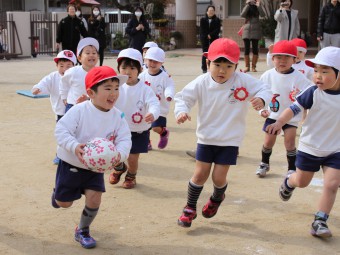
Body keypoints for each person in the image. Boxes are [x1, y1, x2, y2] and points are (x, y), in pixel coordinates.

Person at [174, 38, 271, 228]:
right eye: (217, 64)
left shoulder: (241, 80)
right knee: (200, 174)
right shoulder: (201, 82)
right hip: (206, 137)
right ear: (207, 62)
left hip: (230, 140)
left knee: (218, 178)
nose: (222, 70)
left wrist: (261, 99)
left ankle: (217, 197)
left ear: (236, 65)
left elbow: (264, 88)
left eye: (228, 66)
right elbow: (183, 97)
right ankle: (189, 208)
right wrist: (181, 111)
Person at [53, 65, 131, 249]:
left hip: (96, 168)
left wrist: (119, 154)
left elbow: (125, 138)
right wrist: (74, 146)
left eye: (116, 88)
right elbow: (61, 130)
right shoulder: (79, 110)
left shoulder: (118, 116)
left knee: (95, 198)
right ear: (91, 92)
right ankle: (57, 194)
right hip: (72, 163)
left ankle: (83, 230)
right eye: (107, 88)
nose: (113, 93)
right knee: (63, 203)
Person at [266, 46, 340, 238]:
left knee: (332, 184)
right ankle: (289, 181)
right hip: (310, 147)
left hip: (336, 149)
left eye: (325, 71)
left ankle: (320, 220)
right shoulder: (313, 92)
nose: (318, 76)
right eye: (316, 71)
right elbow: (294, 108)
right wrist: (280, 121)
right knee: (302, 181)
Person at [256, 40, 313, 178]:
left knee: (290, 142)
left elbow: (308, 93)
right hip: (272, 115)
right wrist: (261, 109)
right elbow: (260, 94)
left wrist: (299, 97)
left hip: (291, 117)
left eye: (287, 57)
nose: (282, 60)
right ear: (273, 58)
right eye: (279, 57)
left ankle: (292, 168)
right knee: (268, 141)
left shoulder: (299, 77)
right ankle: (264, 163)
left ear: (294, 59)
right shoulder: (267, 75)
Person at [109, 48, 160, 189]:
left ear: (139, 69)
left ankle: (131, 175)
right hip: (117, 128)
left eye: (132, 68)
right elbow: (103, 98)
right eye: (124, 67)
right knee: (112, 153)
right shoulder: (115, 86)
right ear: (118, 69)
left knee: (132, 158)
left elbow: (154, 103)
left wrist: (153, 113)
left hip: (138, 130)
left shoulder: (145, 89)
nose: (128, 72)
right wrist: (89, 99)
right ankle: (119, 167)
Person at [31, 50, 77, 164]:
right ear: (56, 65)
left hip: (76, 111)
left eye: (68, 66)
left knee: (77, 133)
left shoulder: (77, 76)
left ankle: (76, 154)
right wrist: (38, 88)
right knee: (62, 134)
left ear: (74, 66)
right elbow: (44, 83)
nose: (65, 69)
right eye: (61, 66)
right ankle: (60, 155)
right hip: (61, 112)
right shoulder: (53, 77)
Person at [139, 47, 175, 150]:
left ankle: (163, 132)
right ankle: (147, 142)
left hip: (160, 107)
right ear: (145, 60)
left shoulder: (165, 76)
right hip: (146, 106)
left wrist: (169, 95)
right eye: (150, 60)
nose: (152, 63)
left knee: (155, 127)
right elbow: (138, 86)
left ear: (161, 62)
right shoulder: (142, 76)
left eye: (156, 61)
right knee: (145, 127)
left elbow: (170, 86)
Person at [60, 37, 99, 113]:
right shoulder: (73, 71)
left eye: (94, 53)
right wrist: (64, 97)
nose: (91, 55)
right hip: (73, 106)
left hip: (91, 106)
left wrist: (88, 98)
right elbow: (63, 83)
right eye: (87, 53)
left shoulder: (100, 73)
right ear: (79, 58)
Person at [240, 0, 265, 72]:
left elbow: (263, 15)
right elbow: (242, 15)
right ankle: (247, 67)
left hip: (256, 30)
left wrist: (259, 6)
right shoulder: (247, 6)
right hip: (246, 30)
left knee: (255, 49)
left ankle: (253, 67)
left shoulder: (257, 7)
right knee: (246, 49)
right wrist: (247, 5)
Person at [199, 5, 221, 73]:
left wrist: (211, 35)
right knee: (205, 53)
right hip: (205, 39)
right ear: (207, 11)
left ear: (214, 12)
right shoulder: (202, 20)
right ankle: (204, 68)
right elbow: (202, 29)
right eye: (210, 10)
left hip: (214, 38)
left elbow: (217, 29)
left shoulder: (217, 20)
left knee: (214, 54)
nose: (211, 12)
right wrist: (206, 35)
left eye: (212, 11)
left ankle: (213, 68)